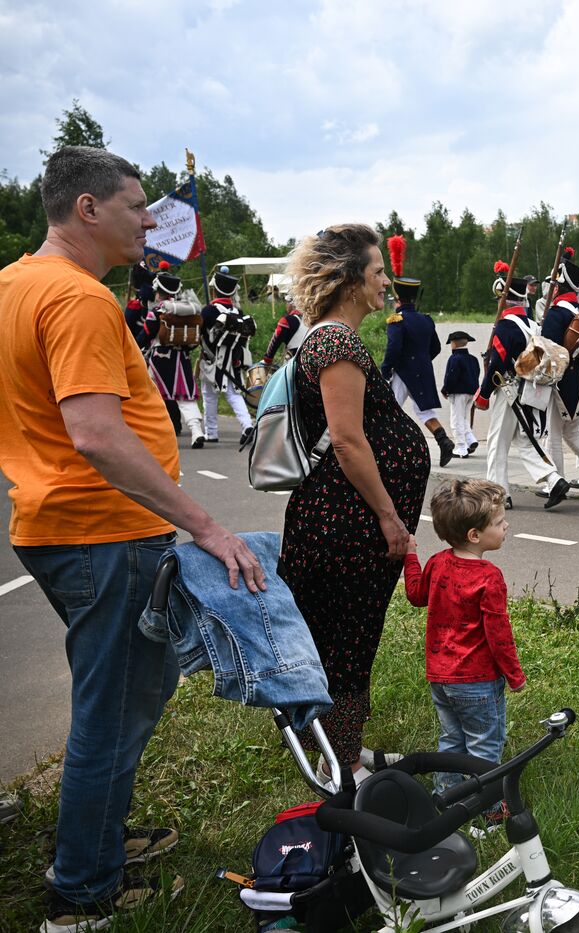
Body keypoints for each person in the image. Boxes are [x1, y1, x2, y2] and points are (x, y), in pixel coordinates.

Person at [0, 145, 263, 929]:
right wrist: (207, 523)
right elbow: (96, 434)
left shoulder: (17, 282)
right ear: (87, 209)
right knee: (111, 711)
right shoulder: (77, 298)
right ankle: (81, 892)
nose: (149, 220)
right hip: (104, 528)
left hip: (62, 523)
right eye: (134, 205)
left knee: (117, 698)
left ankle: (100, 840)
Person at [279, 224, 431, 783]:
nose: (385, 282)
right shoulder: (336, 342)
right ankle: (338, 764)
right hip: (347, 524)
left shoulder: (327, 338)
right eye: (376, 272)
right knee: (346, 642)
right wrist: (391, 518)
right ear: (349, 282)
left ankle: (332, 746)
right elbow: (347, 440)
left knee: (343, 637)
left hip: (343, 520)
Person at [402, 479, 524, 812]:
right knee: (485, 747)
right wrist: (515, 676)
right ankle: (488, 811)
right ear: (475, 535)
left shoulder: (439, 562)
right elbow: (499, 635)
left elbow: (415, 594)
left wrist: (410, 555)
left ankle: (444, 799)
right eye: (499, 523)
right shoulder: (488, 576)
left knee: (451, 742)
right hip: (477, 682)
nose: (506, 526)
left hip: (440, 678)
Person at [473, 262, 570, 511]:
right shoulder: (533, 325)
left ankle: (498, 494)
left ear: (505, 301)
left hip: (509, 390)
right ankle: (554, 478)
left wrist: (483, 395)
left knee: (497, 442)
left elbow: (498, 363)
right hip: (529, 390)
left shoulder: (506, 327)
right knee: (524, 441)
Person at [539, 248, 579, 489]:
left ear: (559, 287)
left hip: (561, 379)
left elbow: (546, 350)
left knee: (554, 432)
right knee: (571, 431)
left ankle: (555, 482)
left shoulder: (556, 313)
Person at [382, 274, 455, 466]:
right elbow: (436, 348)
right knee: (424, 411)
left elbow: (394, 349)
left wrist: (385, 369)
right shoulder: (426, 320)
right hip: (422, 371)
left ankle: (390, 451)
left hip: (403, 373)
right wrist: (421, 362)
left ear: (398, 298)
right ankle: (443, 440)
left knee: (389, 410)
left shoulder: (397, 320)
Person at [141, 264, 207, 447]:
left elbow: (145, 336)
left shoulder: (157, 312)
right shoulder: (188, 310)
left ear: (158, 291)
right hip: (182, 358)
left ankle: (151, 432)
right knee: (184, 397)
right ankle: (196, 431)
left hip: (160, 358)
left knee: (149, 393)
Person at [198, 270, 257, 447]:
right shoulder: (238, 312)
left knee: (209, 396)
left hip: (211, 361)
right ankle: (247, 426)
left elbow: (199, 334)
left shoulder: (208, 311)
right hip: (233, 362)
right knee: (234, 395)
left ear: (215, 289)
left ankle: (212, 432)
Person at [440, 330, 480, 458]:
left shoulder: (454, 358)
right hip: (471, 393)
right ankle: (471, 439)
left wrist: (445, 389)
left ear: (454, 344)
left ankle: (461, 448)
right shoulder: (473, 359)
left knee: (456, 421)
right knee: (463, 418)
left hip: (458, 393)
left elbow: (451, 377)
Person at [262, 301, 305, 366]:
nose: (286, 305)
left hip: (294, 363)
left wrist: (268, 359)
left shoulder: (287, 321)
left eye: (287, 302)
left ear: (292, 304)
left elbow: (275, 342)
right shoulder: (312, 319)